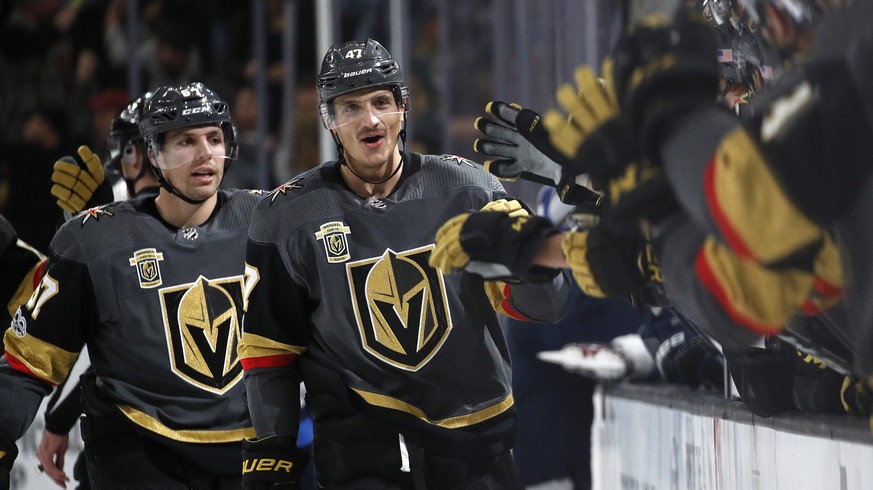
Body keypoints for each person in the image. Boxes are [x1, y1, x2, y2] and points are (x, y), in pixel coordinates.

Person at [238, 38, 571, 489]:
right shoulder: (286, 215)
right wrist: (272, 450)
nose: (370, 119)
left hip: (474, 441)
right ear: (330, 122)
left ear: (403, 108)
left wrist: (530, 256)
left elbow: (546, 306)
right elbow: (269, 351)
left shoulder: (469, 188)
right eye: (350, 107)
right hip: (360, 446)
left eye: (381, 101)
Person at [0, 81, 265, 489]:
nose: (205, 152)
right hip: (139, 454)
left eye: (214, 138)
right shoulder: (94, 240)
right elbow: (28, 363)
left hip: (248, 451)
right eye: (186, 141)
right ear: (153, 154)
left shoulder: (269, 222)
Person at [37, 94, 161, 490]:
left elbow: (99, 347)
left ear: (134, 155)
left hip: (135, 443)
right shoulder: (234, 219)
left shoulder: (118, 232)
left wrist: (57, 418)